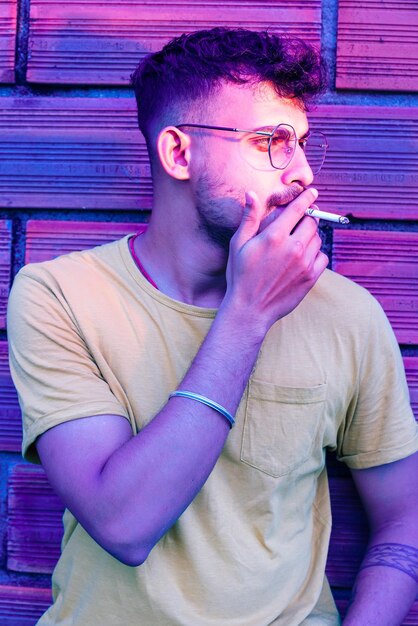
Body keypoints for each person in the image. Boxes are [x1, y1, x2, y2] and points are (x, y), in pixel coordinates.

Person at [7, 27, 418, 626]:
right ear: (178, 153)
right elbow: (124, 525)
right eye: (269, 142)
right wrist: (247, 315)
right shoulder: (60, 296)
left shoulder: (347, 314)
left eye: (301, 143)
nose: (300, 173)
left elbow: (405, 515)